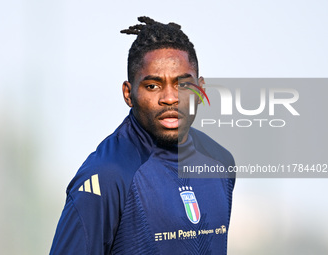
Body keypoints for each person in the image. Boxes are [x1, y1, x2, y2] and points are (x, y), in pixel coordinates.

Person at [50, 16, 235, 255]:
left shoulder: (220, 162)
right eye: (153, 86)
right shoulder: (106, 176)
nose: (170, 98)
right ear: (128, 94)